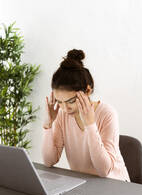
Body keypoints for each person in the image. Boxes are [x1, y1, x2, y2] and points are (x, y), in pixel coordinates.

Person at [42, 49, 130, 181]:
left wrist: (90, 125)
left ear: (88, 91)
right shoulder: (62, 115)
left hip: (114, 184)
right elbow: (49, 161)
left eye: (71, 101)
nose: (65, 109)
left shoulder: (107, 113)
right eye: (60, 102)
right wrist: (48, 124)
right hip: (84, 185)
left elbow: (104, 171)